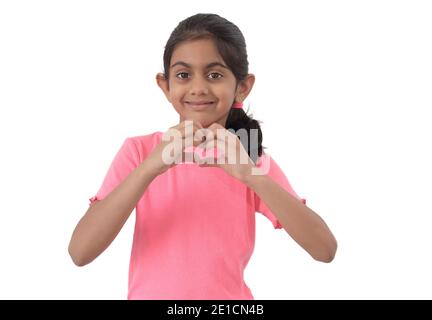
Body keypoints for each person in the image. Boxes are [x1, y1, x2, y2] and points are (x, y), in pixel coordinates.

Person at [68, 13, 337, 300]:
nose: (198, 88)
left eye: (215, 74)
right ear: (165, 85)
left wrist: (250, 175)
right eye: (184, 75)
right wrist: (148, 169)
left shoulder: (248, 158)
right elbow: (80, 252)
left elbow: (324, 249)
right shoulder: (139, 152)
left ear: (242, 87)